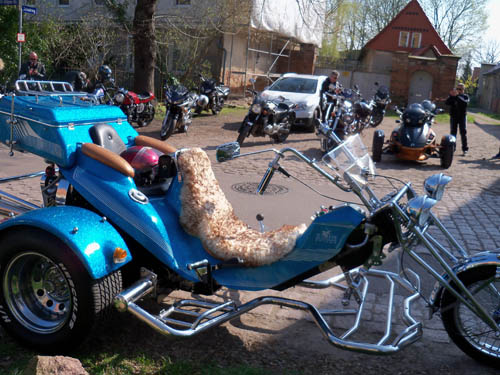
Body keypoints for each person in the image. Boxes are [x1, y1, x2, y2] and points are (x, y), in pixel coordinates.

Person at [445, 83, 469, 155]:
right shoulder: (453, 96)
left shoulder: (465, 96)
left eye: (460, 89)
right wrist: (451, 96)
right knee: (453, 133)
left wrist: (457, 96)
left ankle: (465, 149)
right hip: (454, 116)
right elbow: (447, 102)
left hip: (462, 117)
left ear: (463, 90)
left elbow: (464, 103)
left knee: (463, 132)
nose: (458, 90)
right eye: (457, 89)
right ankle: (453, 148)